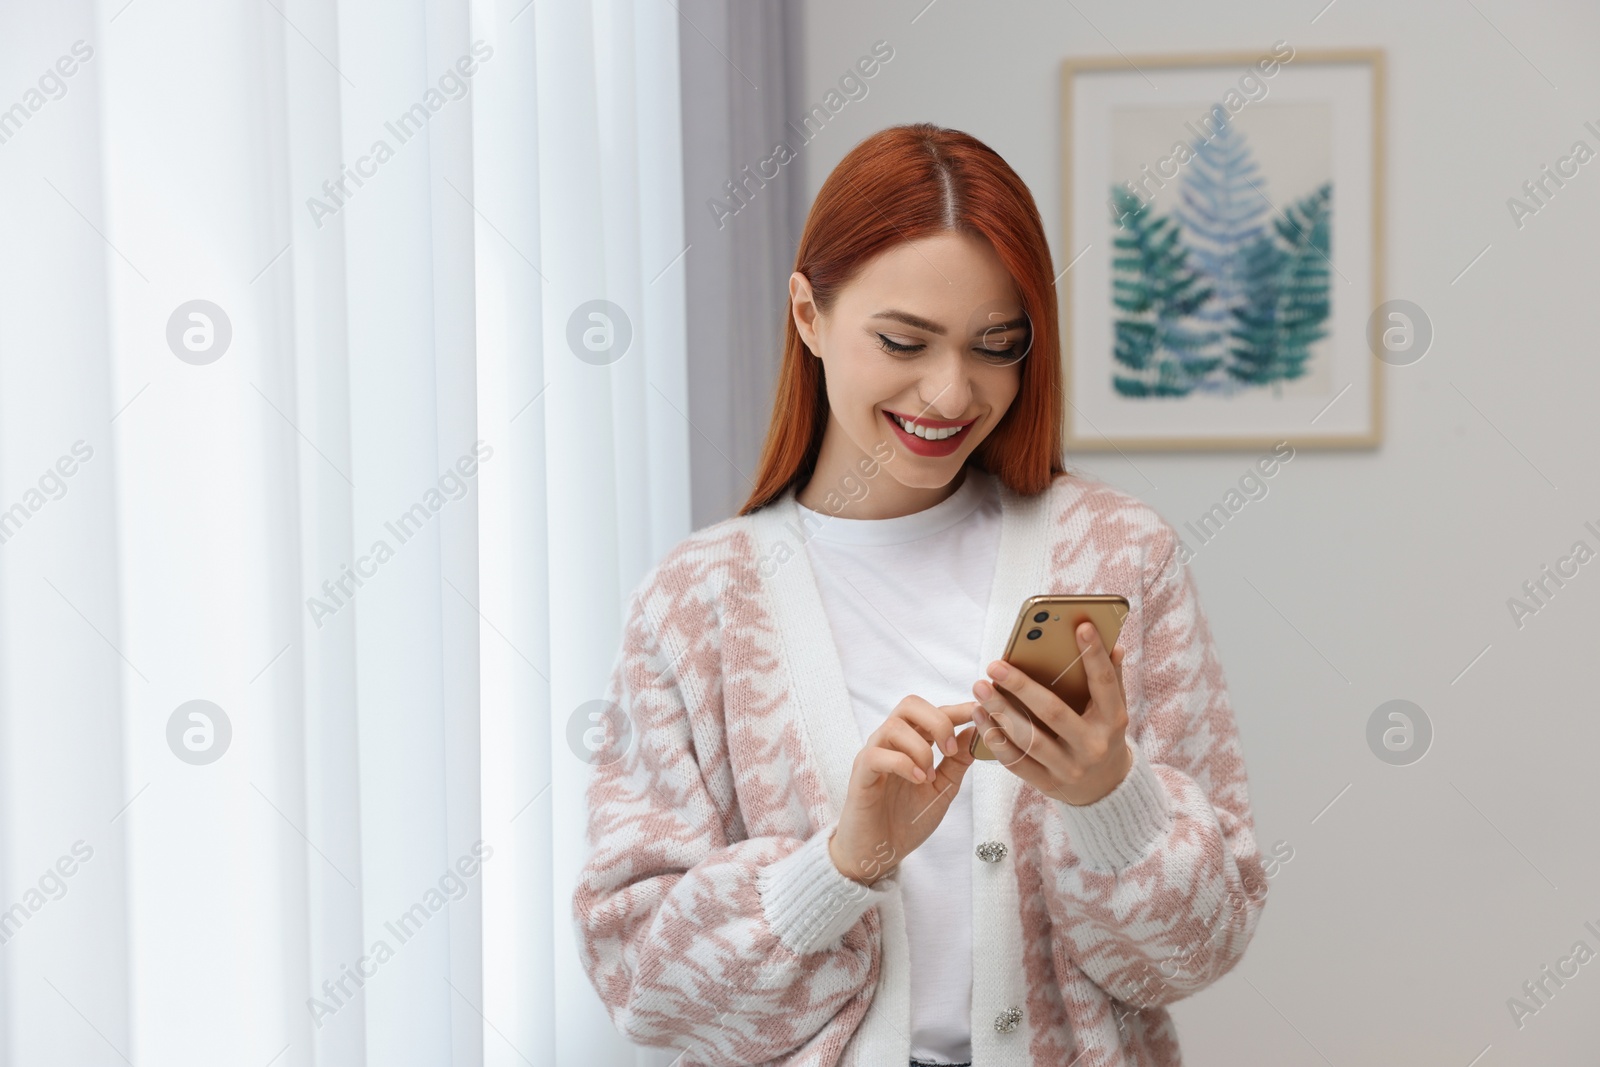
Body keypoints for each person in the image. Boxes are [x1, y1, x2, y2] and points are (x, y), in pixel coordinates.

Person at [572, 122, 1267, 1067]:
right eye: (904, 340)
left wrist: (1111, 797)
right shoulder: (697, 602)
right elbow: (647, 991)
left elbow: (1200, 948)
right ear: (809, 316)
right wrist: (841, 862)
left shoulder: (1116, 555)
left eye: (997, 345)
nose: (950, 393)